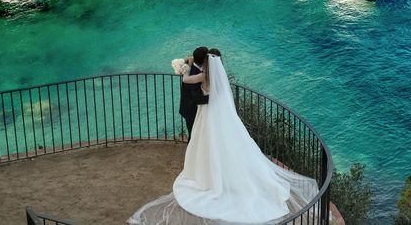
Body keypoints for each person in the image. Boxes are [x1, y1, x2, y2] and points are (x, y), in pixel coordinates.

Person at [129, 49, 318, 225]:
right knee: (223, 142)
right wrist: (189, 63)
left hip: (207, 113)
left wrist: (184, 69)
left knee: (206, 142)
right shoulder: (216, 76)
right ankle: (224, 169)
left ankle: (211, 174)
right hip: (219, 113)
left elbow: (187, 81)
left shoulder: (203, 76)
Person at [179, 46, 209, 139]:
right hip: (191, 111)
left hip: (190, 108)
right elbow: (196, 97)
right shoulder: (194, 73)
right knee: (193, 137)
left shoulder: (189, 68)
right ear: (204, 60)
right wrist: (212, 98)